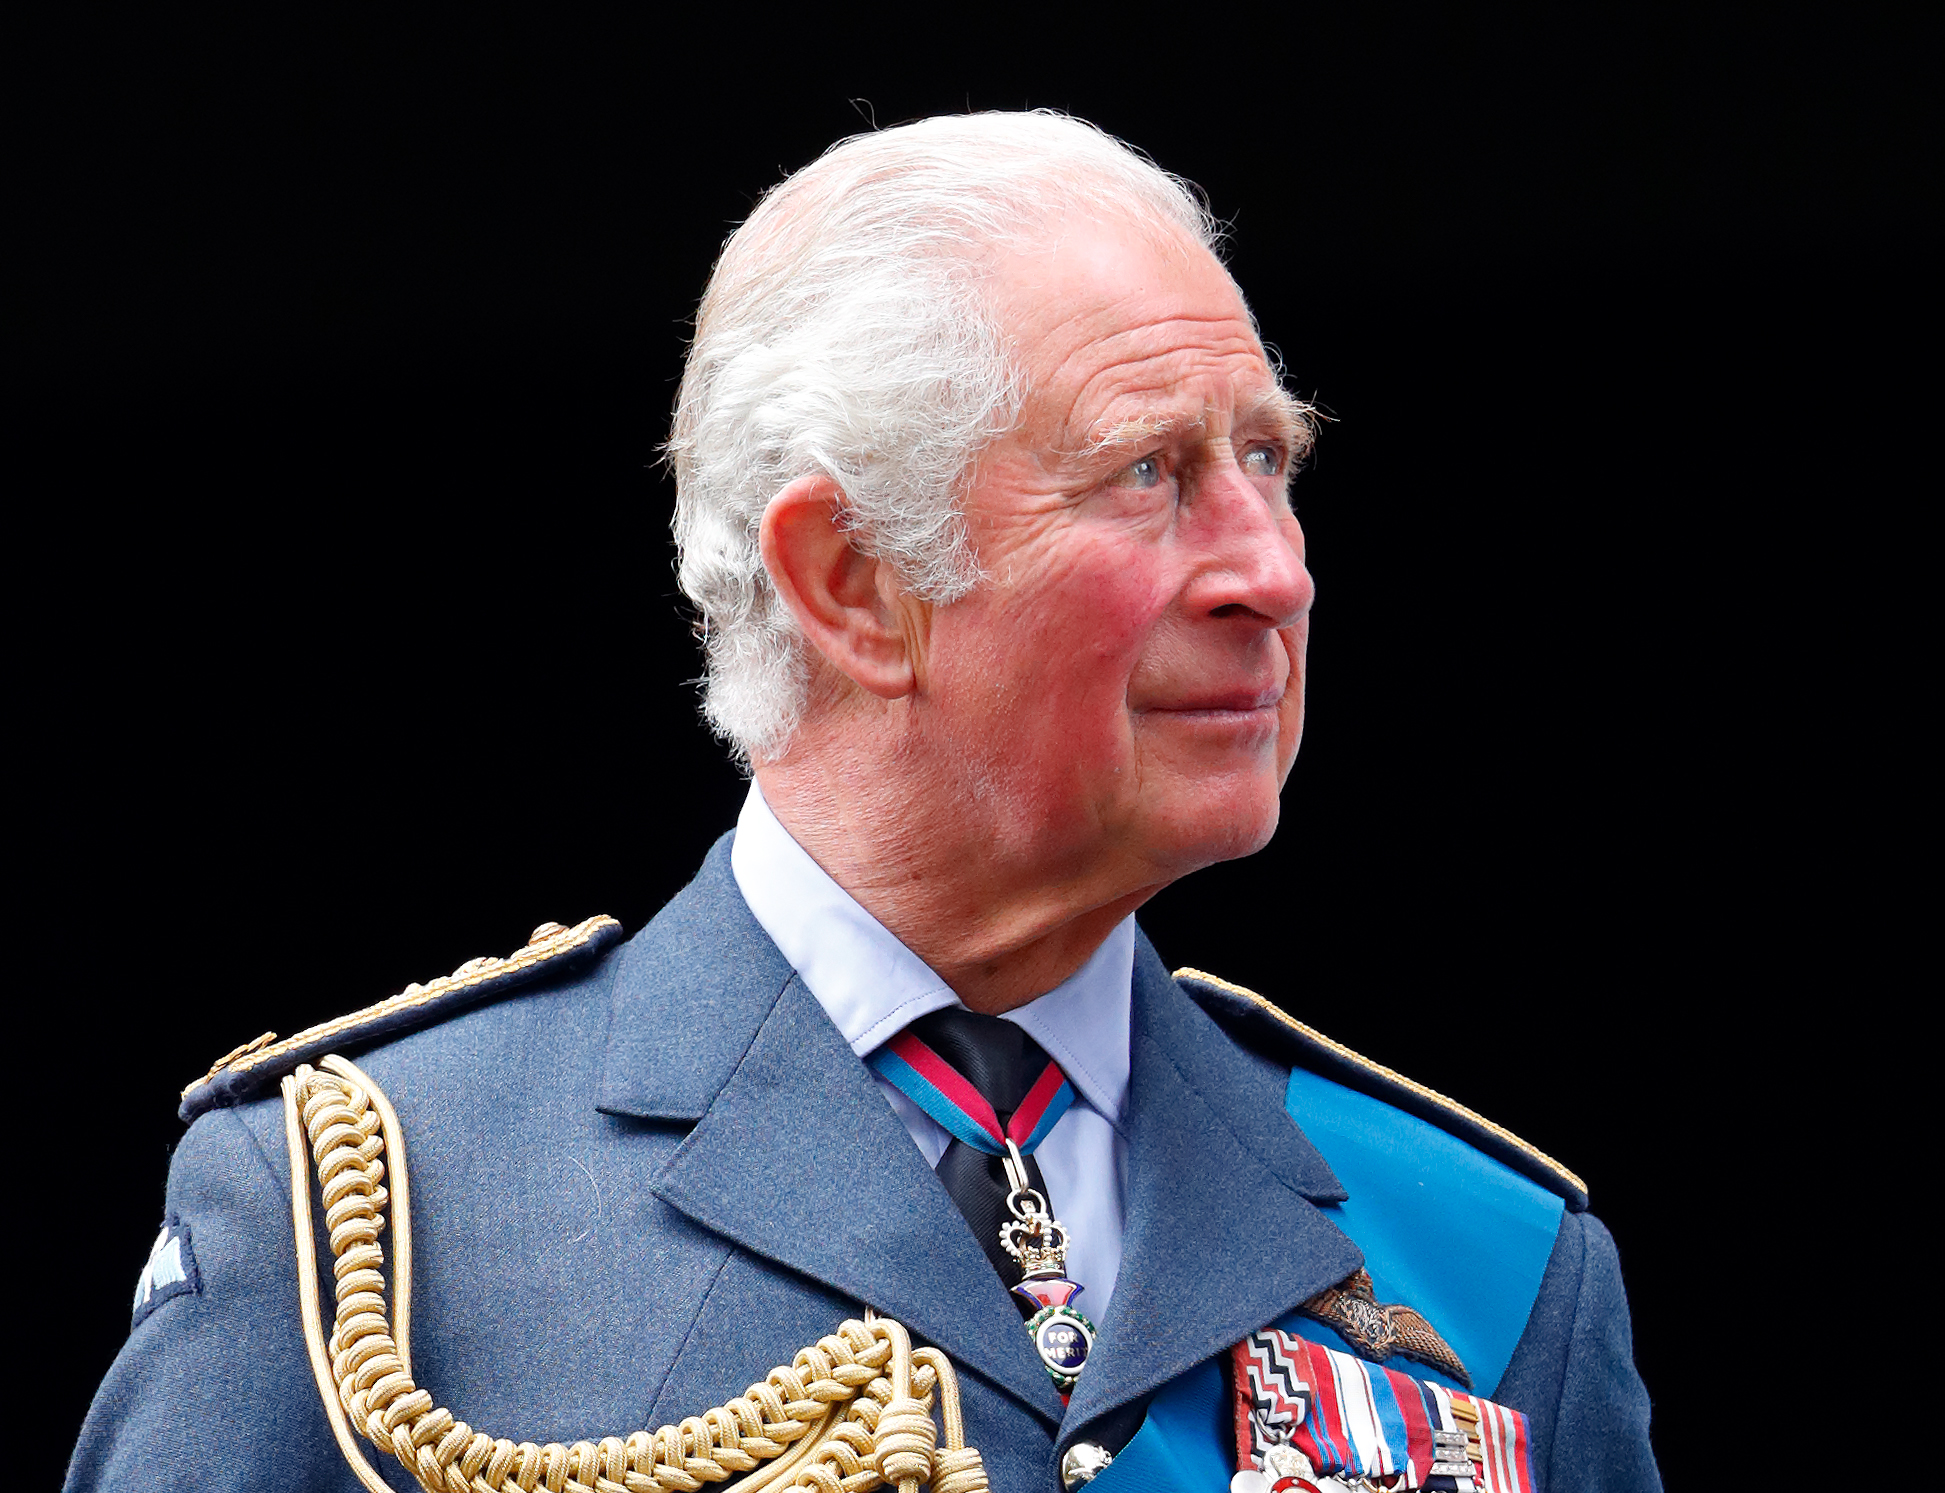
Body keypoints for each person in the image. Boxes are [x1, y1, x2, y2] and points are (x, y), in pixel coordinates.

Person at [68, 113, 1659, 1492]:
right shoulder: (380, 1218)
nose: (1271, 569)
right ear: (848, 579)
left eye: (1268, 458)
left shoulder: (1490, 1253)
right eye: (1148, 474)